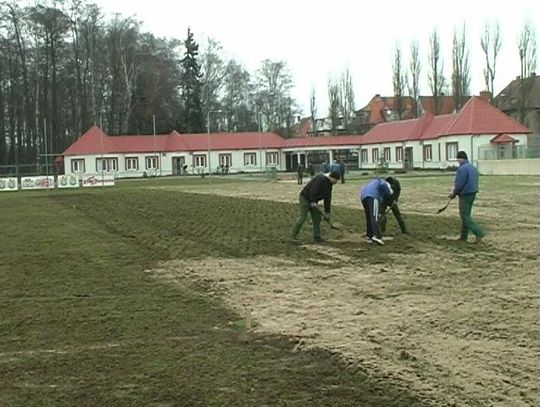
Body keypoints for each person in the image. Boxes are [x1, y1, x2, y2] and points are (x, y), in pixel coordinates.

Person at [290, 171, 341, 243]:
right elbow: (313, 190)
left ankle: (317, 237)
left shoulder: (329, 185)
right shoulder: (320, 179)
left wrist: (327, 212)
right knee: (303, 217)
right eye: (336, 180)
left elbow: (327, 198)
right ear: (332, 177)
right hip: (305, 198)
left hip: (313, 200)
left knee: (317, 218)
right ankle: (293, 237)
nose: (336, 182)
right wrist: (313, 201)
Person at [448, 151, 484, 243]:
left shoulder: (462, 169)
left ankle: (478, 232)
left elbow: (459, 184)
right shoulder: (473, 168)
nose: (457, 162)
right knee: (466, 215)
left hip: (465, 194)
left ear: (460, 159)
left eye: (457, 160)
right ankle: (463, 237)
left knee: (464, 215)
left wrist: (454, 193)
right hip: (473, 193)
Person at [359, 177, 394, 245]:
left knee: (369, 217)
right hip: (373, 196)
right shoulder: (383, 182)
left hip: (363, 197)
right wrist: (391, 196)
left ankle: (370, 235)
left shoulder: (372, 182)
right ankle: (377, 236)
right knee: (374, 217)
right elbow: (388, 192)